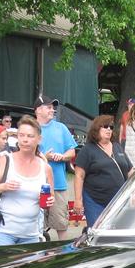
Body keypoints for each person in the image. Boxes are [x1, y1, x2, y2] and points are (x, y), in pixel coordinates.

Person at [0, 116, 53, 245]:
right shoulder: (4, 161)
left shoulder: (45, 168)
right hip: (4, 233)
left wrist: (48, 201)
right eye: (21, 135)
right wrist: (3, 186)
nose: (25, 140)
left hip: (31, 234)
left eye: (30, 136)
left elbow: (48, 201)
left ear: (39, 139)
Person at [73, 115, 133, 227]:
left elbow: (130, 171)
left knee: (118, 231)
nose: (109, 129)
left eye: (111, 127)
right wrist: (78, 200)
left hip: (119, 200)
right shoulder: (88, 150)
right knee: (97, 231)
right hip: (95, 201)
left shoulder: (117, 147)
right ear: (97, 128)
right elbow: (79, 176)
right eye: (105, 126)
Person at [34, 94, 77, 240]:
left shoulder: (61, 128)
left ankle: (63, 252)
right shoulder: (31, 129)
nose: (52, 110)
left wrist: (62, 156)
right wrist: (44, 158)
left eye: (53, 108)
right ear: (38, 110)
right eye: (48, 107)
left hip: (58, 185)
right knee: (35, 226)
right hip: (35, 185)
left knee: (61, 224)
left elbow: (72, 152)